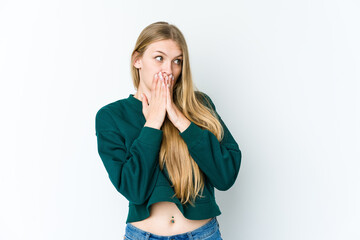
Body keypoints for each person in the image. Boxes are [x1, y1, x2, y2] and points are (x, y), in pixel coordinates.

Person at [95, 21, 242, 240]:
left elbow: (225, 176)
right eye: (159, 58)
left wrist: (179, 119)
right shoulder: (112, 116)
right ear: (137, 60)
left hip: (203, 234)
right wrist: (153, 123)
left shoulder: (200, 106)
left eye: (177, 61)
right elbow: (134, 190)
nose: (168, 70)